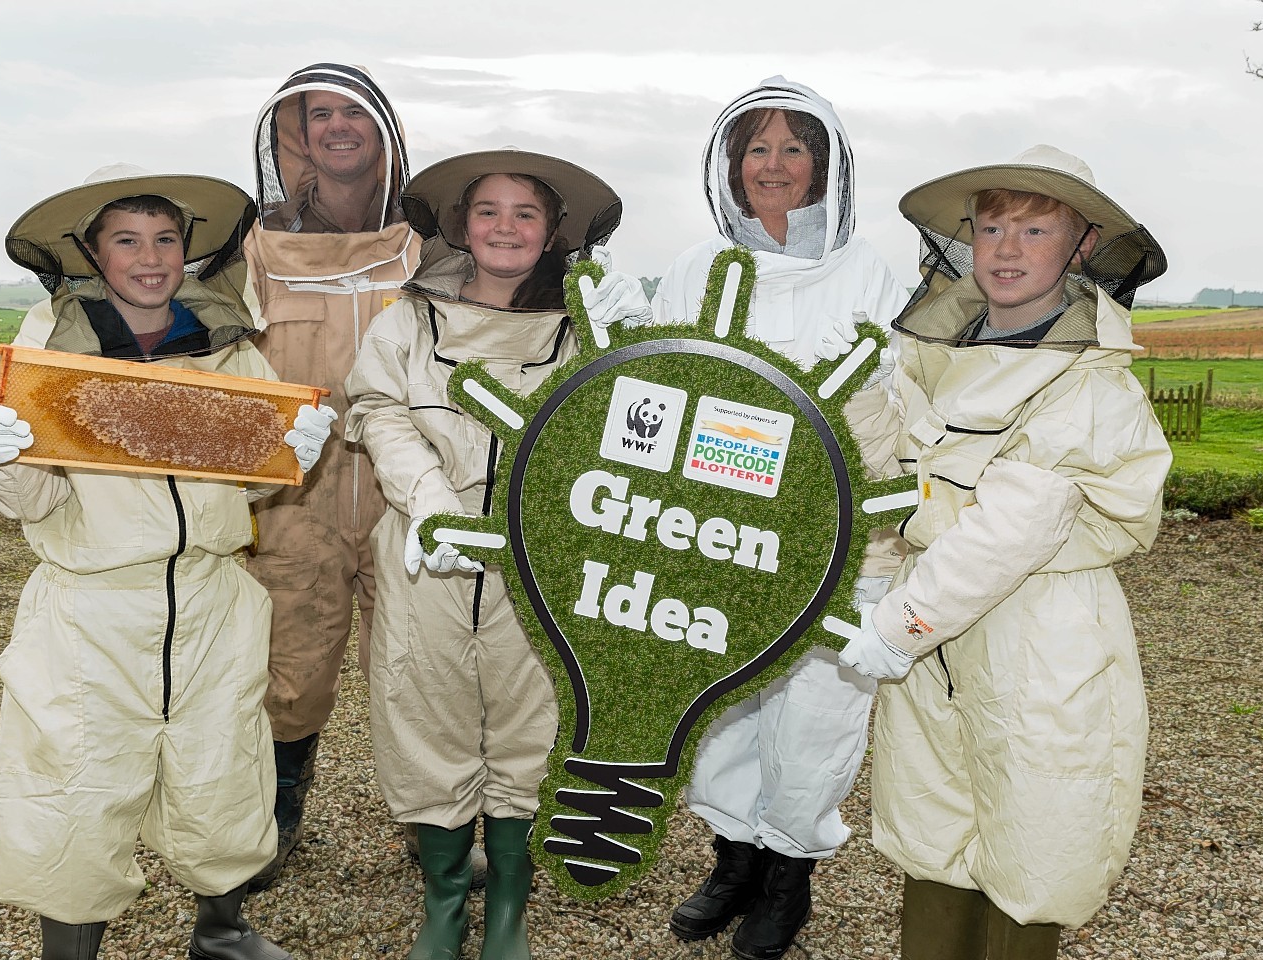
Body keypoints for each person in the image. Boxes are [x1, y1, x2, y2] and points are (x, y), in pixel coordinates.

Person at [0, 164, 337, 960]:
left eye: (165, 238)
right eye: (126, 239)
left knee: (223, 769)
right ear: (93, 253)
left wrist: (288, 453)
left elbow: (249, 487)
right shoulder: (43, 350)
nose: (151, 256)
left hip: (211, 599)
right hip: (92, 609)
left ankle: (223, 927)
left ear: (186, 251)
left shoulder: (230, 347)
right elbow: (26, 503)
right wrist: (0, 455)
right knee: (78, 784)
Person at [838, 145, 1171, 960]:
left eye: (1034, 228)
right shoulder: (935, 356)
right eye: (991, 227)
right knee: (930, 823)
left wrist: (897, 623)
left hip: (1039, 636)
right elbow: (893, 483)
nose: (1007, 249)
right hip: (932, 637)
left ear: (1082, 245)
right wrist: (871, 571)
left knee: (1034, 840)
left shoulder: (1089, 384)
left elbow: (1011, 529)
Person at [648, 77, 909, 960]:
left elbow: (898, 405)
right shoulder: (693, 269)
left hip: (844, 536)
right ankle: (734, 858)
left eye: (793, 147)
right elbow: (658, 389)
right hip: (720, 531)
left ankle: (789, 876)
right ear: (731, 163)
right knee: (726, 701)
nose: (774, 164)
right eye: (757, 147)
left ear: (823, 165)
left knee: (819, 707)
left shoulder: (869, 270)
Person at [344, 147, 623, 960]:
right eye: (490, 211)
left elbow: (617, 432)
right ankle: (442, 900)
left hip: (541, 564)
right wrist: (428, 495)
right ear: (461, 224)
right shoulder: (407, 319)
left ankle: (507, 906)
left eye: (526, 213)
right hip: (422, 552)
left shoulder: (588, 330)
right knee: (422, 715)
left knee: (529, 725)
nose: (506, 227)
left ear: (553, 233)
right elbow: (375, 408)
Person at [242, 63, 427, 891]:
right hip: (293, 500)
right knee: (289, 668)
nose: (338, 127)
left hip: (407, 499)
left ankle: (440, 824)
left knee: (426, 668)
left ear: (382, 130)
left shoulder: (431, 243)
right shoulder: (255, 245)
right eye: (320, 115)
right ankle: (277, 815)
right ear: (297, 135)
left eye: (355, 112)